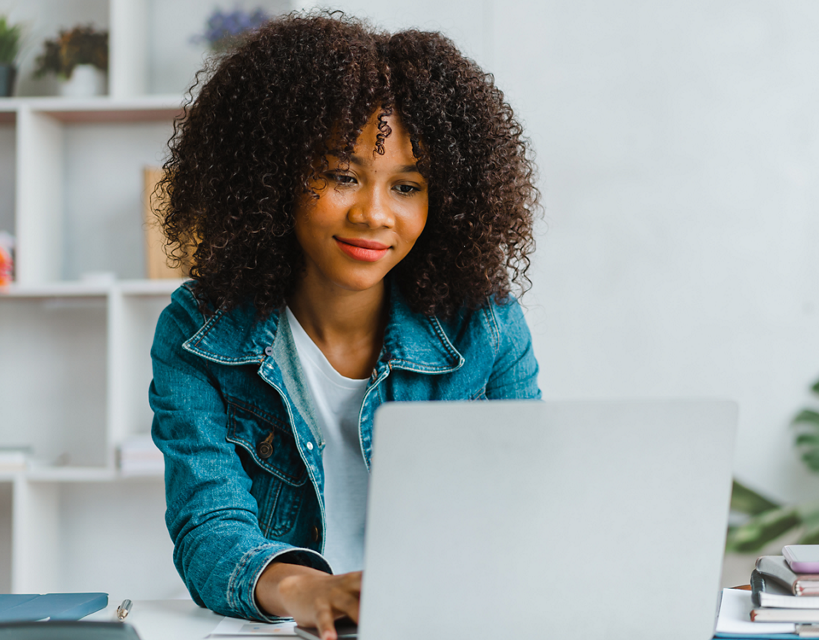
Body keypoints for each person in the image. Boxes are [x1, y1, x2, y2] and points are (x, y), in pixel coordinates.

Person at [147, 12, 541, 640]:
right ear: (273, 175)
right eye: (342, 176)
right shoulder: (200, 332)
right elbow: (210, 528)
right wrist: (310, 592)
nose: (374, 214)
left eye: (408, 186)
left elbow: (527, 503)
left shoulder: (485, 327)